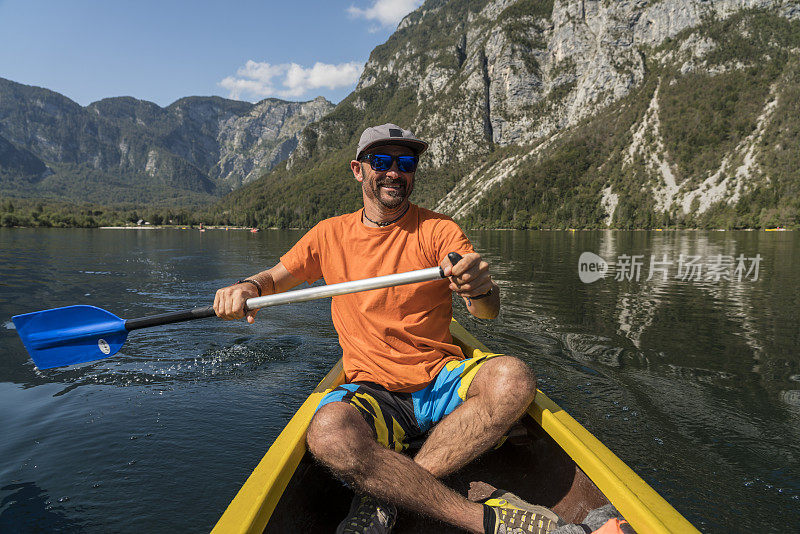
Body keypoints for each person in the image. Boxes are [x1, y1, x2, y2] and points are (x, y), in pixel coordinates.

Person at [214, 124, 557, 534]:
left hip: (439, 378)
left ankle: (386, 491)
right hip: (373, 389)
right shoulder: (328, 235)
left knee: (513, 379)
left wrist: (481, 287)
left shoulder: (438, 230)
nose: (395, 171)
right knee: (327, 432)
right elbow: (272, 279)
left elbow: (485, 312)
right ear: (359, 170)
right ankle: (482, 520)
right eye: (382, 161)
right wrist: (247, 287)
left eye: (406, 162)